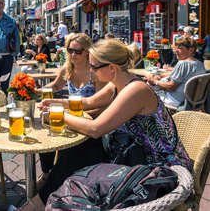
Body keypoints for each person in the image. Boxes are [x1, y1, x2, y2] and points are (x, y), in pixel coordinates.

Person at [18, 39, 192, 210]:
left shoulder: (136, 90)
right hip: (130, 154)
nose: (91, 71)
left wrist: (57, 116)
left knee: (81, 148)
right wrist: (54, 103)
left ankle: (39, 202)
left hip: (158, 168)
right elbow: (88, 102)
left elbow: (96, 129)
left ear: (111, 68)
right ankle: (44, 199)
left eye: (94, 66)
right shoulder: (118, 83)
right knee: (76, 148)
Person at [36, 33, 107, 190]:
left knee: (67, 148)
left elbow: (102, 106)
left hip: (91, 121)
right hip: (71, 118)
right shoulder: (67, 69)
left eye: (78, 51)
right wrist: (35, 90)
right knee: (44, 133)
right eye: (70, 51)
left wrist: (81, 117)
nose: (73, 55)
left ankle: (56, 182)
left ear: (87, 52)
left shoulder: (95, 73)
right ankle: (47, 173)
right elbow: (55, 86)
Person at [146, 37, 206, 107]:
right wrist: (161, 76)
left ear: (191, 50)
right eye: (176, 48)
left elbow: (171, 86)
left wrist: (155, 81)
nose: (176, 51)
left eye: (180, 48)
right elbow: (184, 76)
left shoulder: (182, 63)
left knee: (147, 93)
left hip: (175, 100)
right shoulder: (199, 64)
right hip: (192, 100)